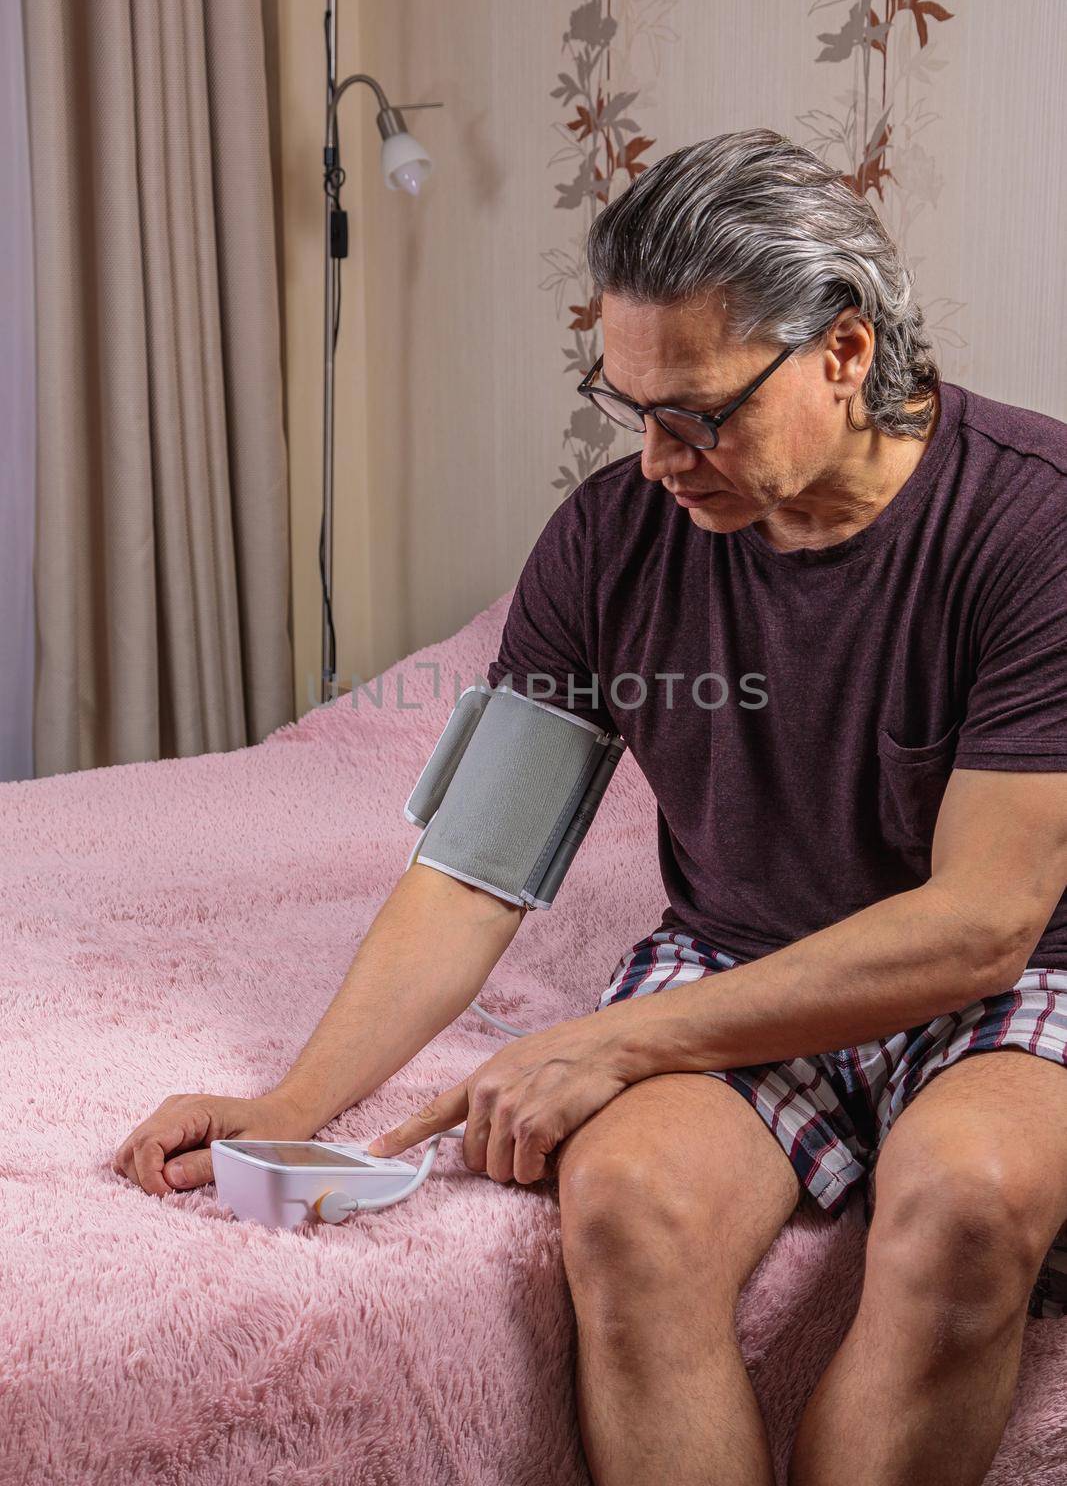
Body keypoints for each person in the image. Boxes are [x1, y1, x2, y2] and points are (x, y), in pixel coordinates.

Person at [113, 128, 1067, 1486]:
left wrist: (612, 1042)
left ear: (846, 354)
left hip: (1014, 982)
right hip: (743, 952)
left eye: (704, 412)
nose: (662, 457)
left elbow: (981, 927)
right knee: (623, 1208)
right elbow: (476, 866)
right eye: (630, 408)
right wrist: (296, 1102)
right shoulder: (613, 538)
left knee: (971, 1204)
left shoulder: (1037, 527)